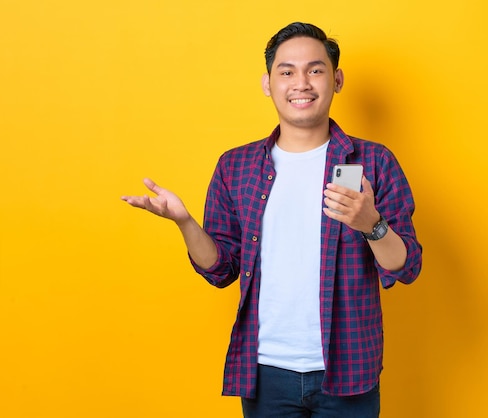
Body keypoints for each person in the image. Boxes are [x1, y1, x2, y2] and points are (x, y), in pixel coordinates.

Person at [122, 22, 422, 418]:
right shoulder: (237, 166)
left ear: (337, 79)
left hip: (349, 370)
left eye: (315, 70)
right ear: (268, 83)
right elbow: (222, 268)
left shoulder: (372, 162)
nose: (302, 83)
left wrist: (372, 223)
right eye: (287, 71)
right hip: (265, 373)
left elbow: (406, 265)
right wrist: (185, 223)